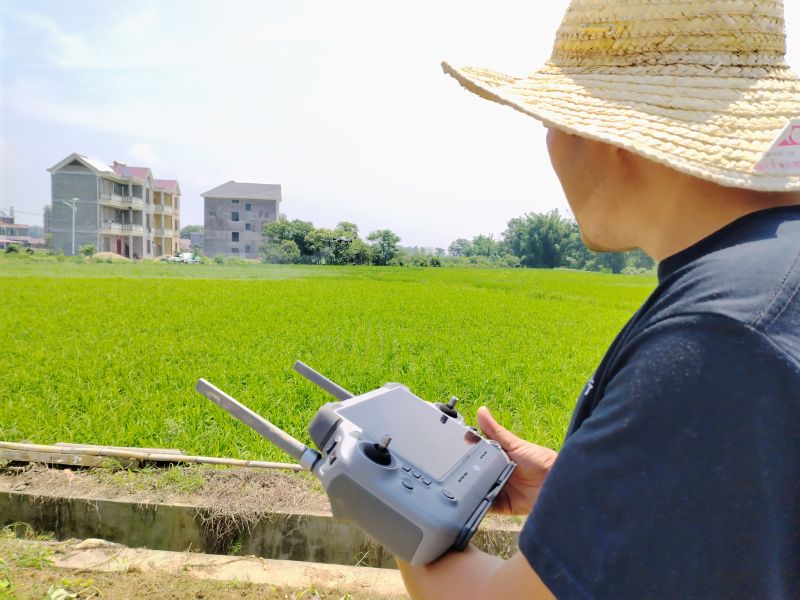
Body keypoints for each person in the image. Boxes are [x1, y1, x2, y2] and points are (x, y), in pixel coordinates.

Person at [398, 0, 800, 598]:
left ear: (611, 130)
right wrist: (579, 494)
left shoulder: (715, 334)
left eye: (551, 122)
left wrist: (402, 503)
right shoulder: (768, 280)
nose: (552, 147)